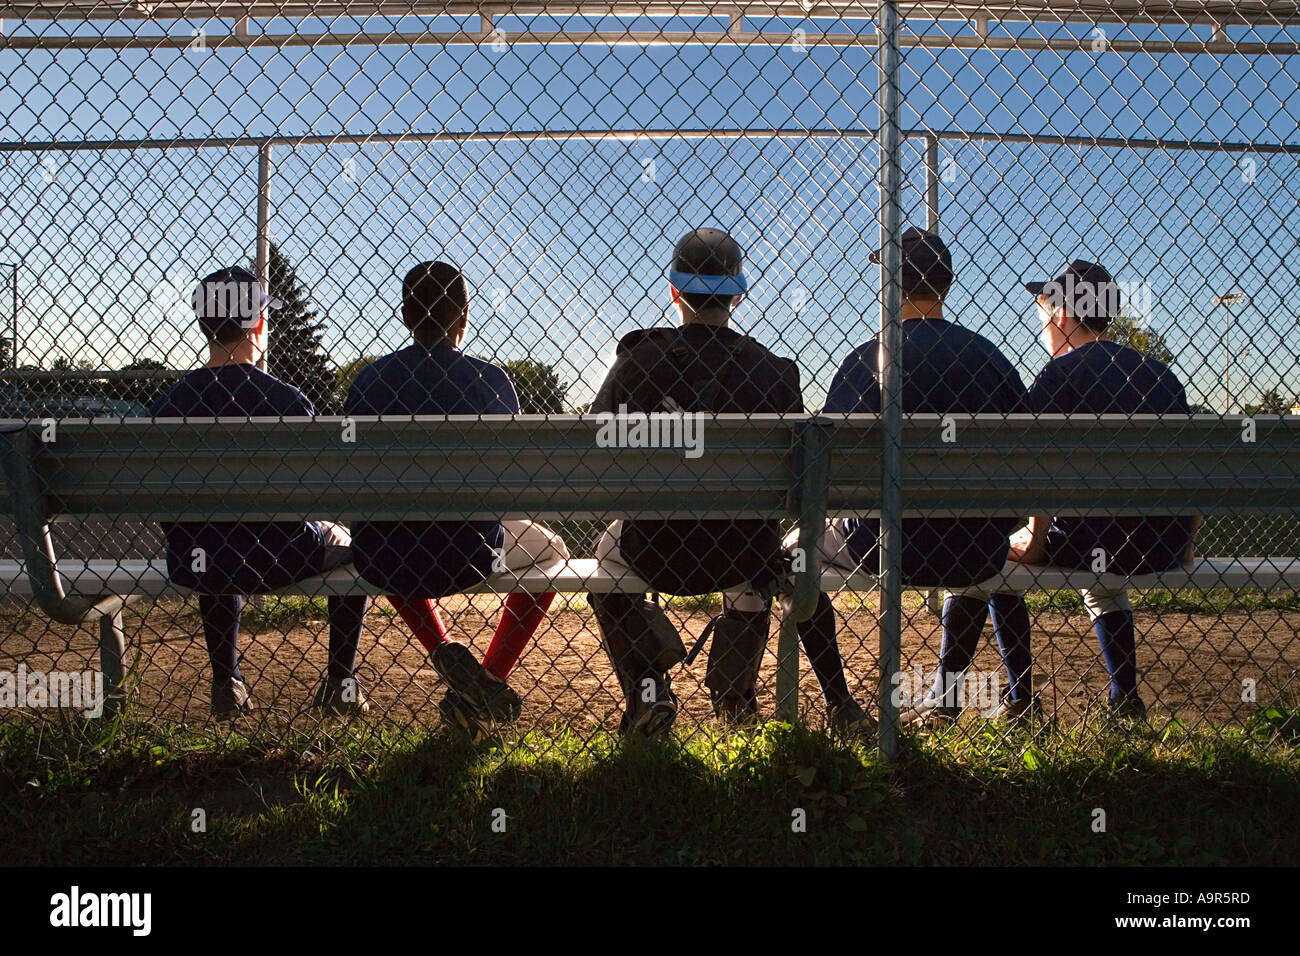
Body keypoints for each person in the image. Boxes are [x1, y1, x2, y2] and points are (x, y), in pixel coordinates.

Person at [589, 227, 870, 737]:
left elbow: (595, 455)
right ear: (737, 294)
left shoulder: (635, 361)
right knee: (767, 553)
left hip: (656, 549)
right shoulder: (776, 374)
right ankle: (736, 697)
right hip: (743, 553)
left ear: (674, 291)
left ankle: (649, 687)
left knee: (605, 552)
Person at [950, 260, 1199, 722]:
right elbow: (1198, 470)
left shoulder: (1057, 375)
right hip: (1161, 544)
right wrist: (1185, 542)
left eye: (1044, 310)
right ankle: (1126, 700)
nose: (1042, 321)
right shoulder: (1159, 374)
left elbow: (1035, 473)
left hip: (1092, 542)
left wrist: (1036, 539)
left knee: (998, 561)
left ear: (1062, 314)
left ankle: (1021, 698)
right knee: (1103, 589)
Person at [344, 261, 568, 740]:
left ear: (405, 316)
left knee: (385, 533)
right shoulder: (493, 382)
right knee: (554, 552)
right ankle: (486, 679)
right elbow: (512, 484)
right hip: (469, 554)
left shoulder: (368, 382)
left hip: (384, 555)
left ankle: (444, 650)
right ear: (464, 317)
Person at [818, 227, 1033, 725]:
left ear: (890, 285)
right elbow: (1027, 468)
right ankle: (946, 700)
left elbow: (825, 471)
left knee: (793, 559)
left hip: (880, 544)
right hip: (974, 547)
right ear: (946, 284)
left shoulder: (866, 358)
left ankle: (840, 703)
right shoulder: (991, 360)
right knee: (976, 564)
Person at [152, 266, 369, 719]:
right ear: (258, 323)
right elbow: (315, 493)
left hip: (195, 557)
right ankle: (339, 681)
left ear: (202, 324)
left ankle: (226, 680)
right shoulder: (288, 401)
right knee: (348, 542)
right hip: (280, 556)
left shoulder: (168, 404)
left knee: (214, 532)